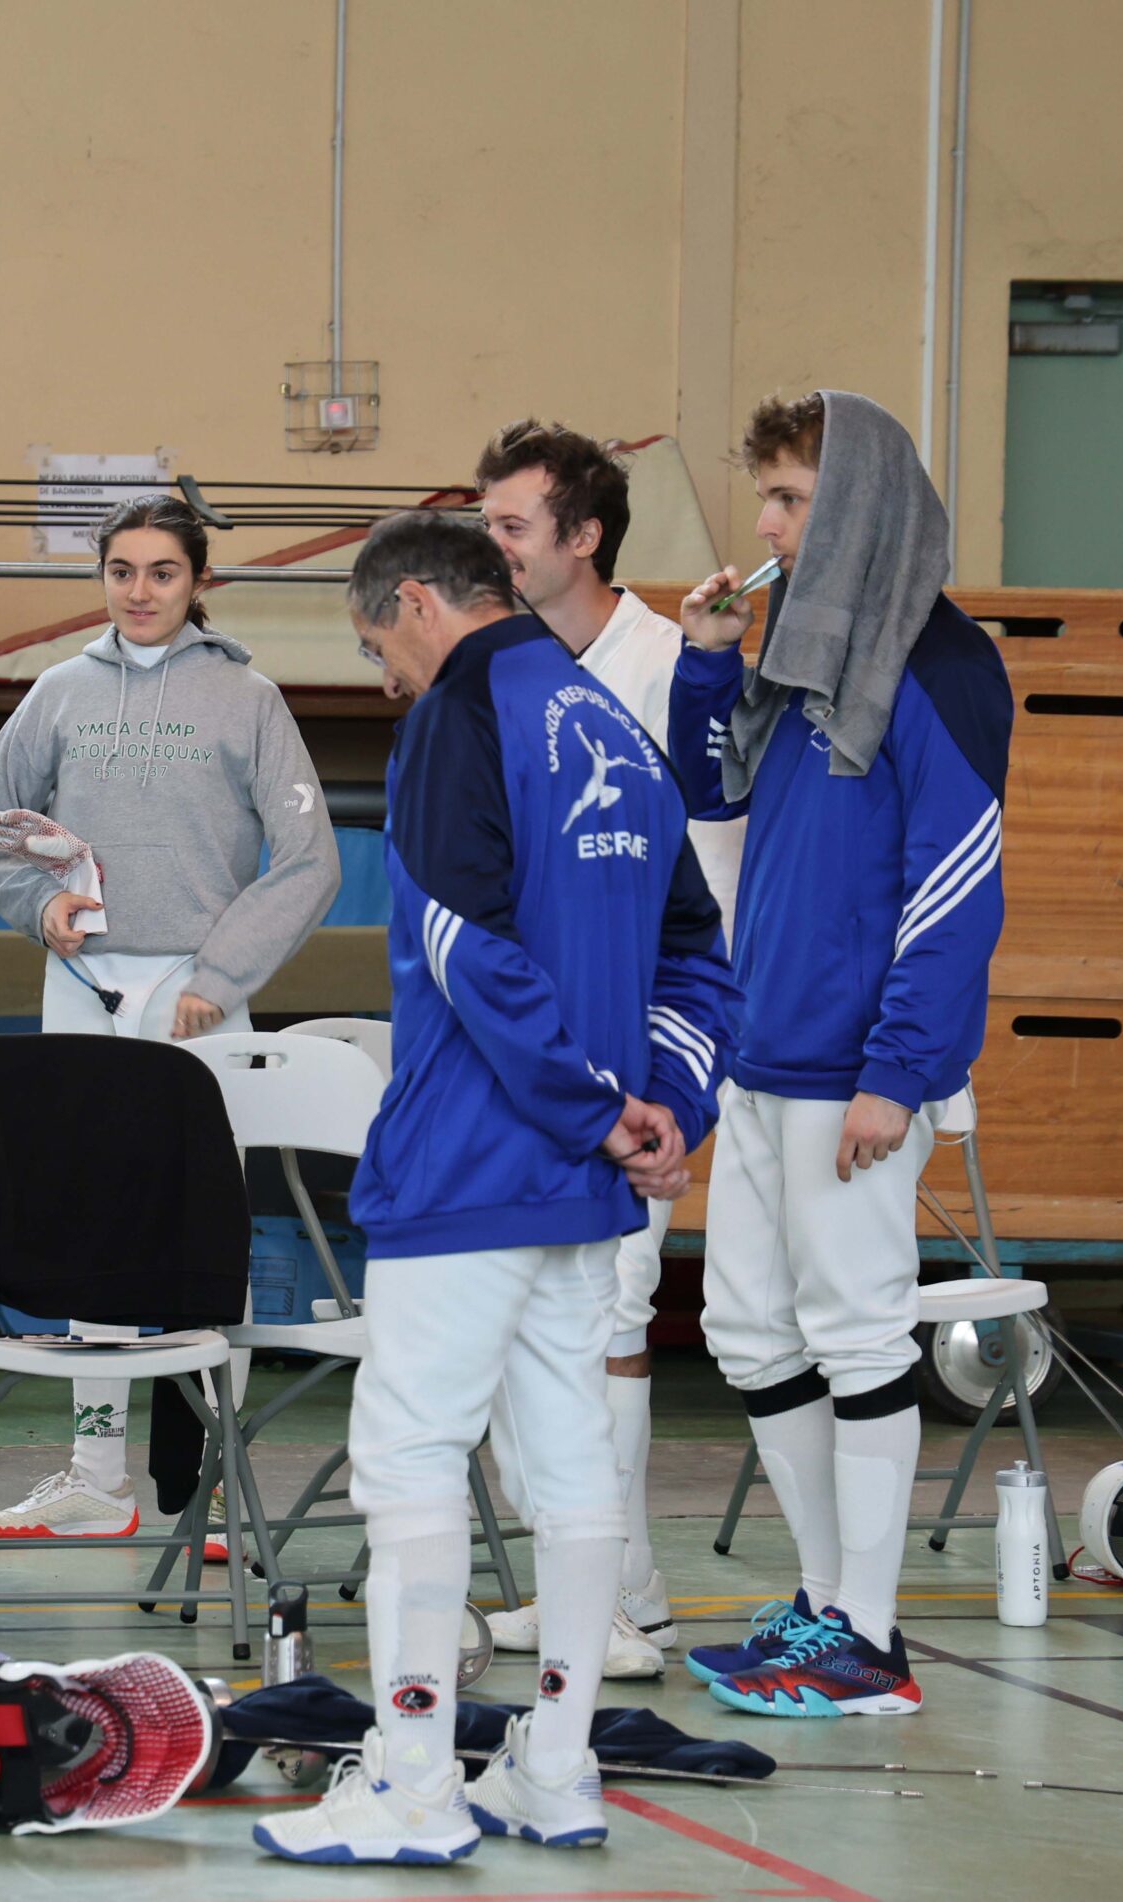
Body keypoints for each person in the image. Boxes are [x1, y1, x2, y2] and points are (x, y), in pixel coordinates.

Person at [258, 513, 732, 1866]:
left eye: (377, 647)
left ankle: (413, 1785)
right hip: (584, 1184)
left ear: (418, 601)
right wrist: (664, 1105)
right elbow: (699, 952)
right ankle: (559, 1770)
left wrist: (595, 1104)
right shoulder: (613, 719)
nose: (386, 679)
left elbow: (464, 944)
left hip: (470, 1165)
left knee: (411, 1460)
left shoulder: (457, 718)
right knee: (571, 1469)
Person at [667, 392, 1011, 1719]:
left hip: (854, 1072)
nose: (765, 524)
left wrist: (897, 1070)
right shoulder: (808, 648)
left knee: (860, 1337)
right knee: (753, 1333)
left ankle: (870, 1643)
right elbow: (715, 795)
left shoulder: (940, 663)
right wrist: (710, 664)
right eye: (766, 496)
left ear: (859, 506)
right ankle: (826, 1608)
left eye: (791, 498)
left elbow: (957, 882)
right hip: (764, 1055)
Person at [0, 493, 338, 1545]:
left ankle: (208, 1485)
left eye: (162, 571)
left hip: (200, 999)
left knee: (204, 1228)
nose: (139, 591)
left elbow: (309, 861)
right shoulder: (59, 692)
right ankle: (97, 1477)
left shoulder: (248, 698)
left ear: (199, 582)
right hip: (83, 987)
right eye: (120, 570)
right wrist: (40, 905)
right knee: (94, 1219)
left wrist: (221, 971)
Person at [472, 420, 746, 1676]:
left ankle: (625, 1597)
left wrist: (669, 1063)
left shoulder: (669, 663)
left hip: (643, 1044)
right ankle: (585, 1581)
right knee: (525, 1316)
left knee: (613, 1310)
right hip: (534, 1044)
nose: (492, 546)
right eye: (485, 524)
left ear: (582, 536)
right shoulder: (501, 664)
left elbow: (705, 864)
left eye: (512, 525)